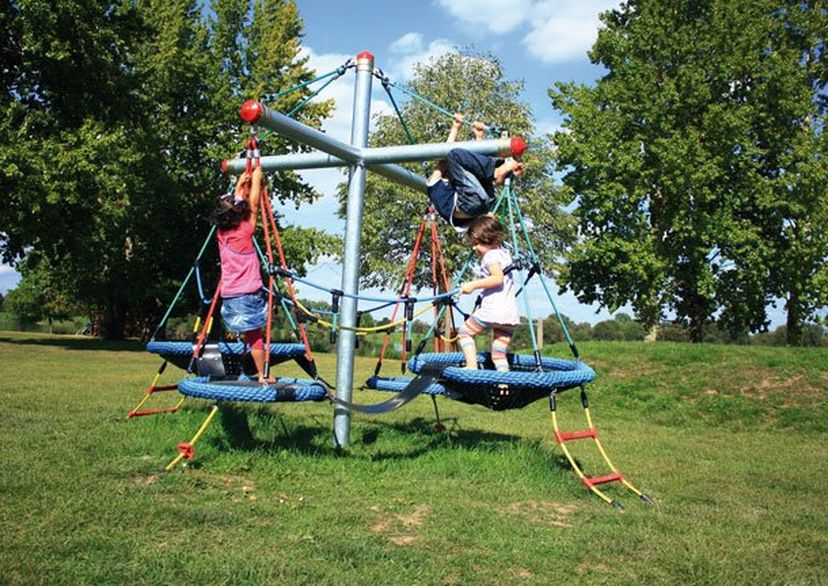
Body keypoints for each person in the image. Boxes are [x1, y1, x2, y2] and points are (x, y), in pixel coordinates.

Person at [212, 166, 272, 383]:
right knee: (256, 336)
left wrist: (240, 184)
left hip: (230, 294)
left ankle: (250, 370)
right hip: (248, 293)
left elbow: (241, 205)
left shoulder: (222, 232)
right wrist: (256, 179)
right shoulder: (245, 230)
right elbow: (254, 204)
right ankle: (263, 376)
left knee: (250, 334)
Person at [427, 113, 524, 233]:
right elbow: (445, 155)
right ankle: (496, 172)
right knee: (454, 155)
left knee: (474, 170)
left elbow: (477, 170)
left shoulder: (456, 184)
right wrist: (455, 129)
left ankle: (502, 170)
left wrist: (479, 139)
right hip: (469, 205)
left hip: (482, 203)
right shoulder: (434, 184)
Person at [457, 215, 519, 372]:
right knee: (498, 354)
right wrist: (489, 219)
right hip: (509, 315)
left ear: (489, 240)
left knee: (464, 333)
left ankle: (471, 366)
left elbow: (497, 278)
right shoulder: (504, 253)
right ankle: (504, 384)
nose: (474, 248)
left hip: (492, 311)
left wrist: (473, 285)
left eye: (477, 244)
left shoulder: (489, 256)